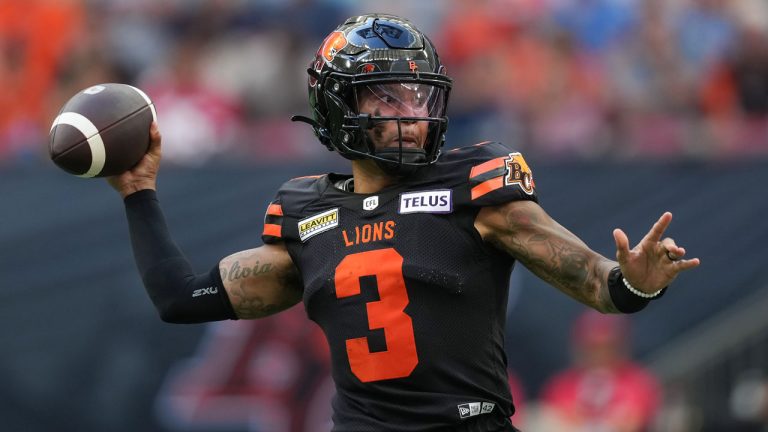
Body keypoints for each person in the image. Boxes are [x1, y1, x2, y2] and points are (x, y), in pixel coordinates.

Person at [108, 14, 700, 432]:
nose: (411, 116)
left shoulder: (475, 187)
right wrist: (139, 193)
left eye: (419, 97)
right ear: (338, 108)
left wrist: (636, 281)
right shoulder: (307, 214)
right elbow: (181, 299)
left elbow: (600, 285)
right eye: (386, 98)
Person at [535, 310, 661, 432]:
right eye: (592, 348)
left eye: (607, 347)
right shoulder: (562, 385)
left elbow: (634, 421)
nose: (600, 355)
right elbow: (553, 420)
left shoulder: (639, 382)